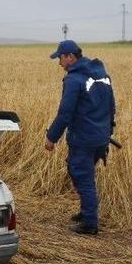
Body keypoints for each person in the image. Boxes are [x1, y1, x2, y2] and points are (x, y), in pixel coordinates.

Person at [44, 40, 116, 235]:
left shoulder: (74, 80)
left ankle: (89, 223)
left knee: (82, 177)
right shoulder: (102, 75)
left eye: (60, 58)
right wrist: (108, 130)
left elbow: (65, 114)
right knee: (81, 172)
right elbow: (111, 106)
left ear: (70, 57)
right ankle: (86, 211)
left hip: (84, 138)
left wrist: (51, 137)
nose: (59, 63)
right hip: (101, 137)